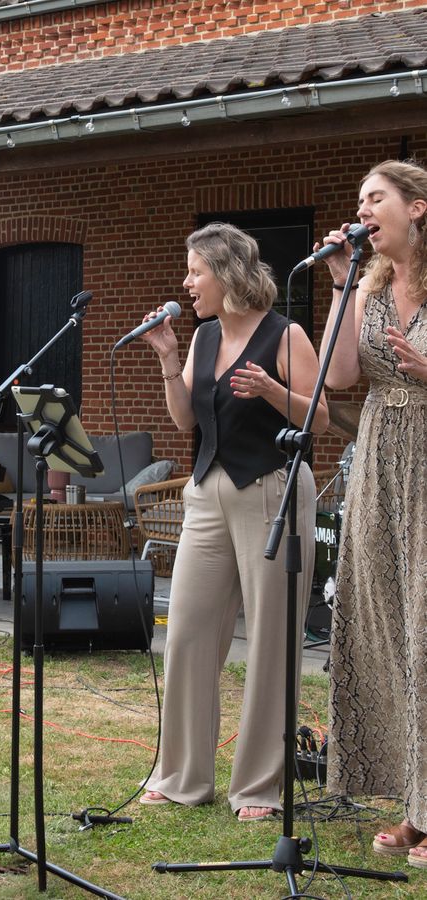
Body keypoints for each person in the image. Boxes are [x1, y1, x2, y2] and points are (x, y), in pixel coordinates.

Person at [138, 222, 328, 820]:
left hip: (271, 489)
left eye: (196, 271)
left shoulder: (285, 334)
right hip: (206, 492)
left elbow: (320, 419)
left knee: (271, 639)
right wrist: (169, 359)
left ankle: (257, 788)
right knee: (187, 632)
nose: (187, 283)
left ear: (227, 273)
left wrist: (270, 389)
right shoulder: (202, 337)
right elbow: (184, 422)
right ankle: (182, 776)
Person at [316, 159, 427, 868]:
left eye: (375, 197)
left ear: (417, 207)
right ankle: (416, 804)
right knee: (388, 628)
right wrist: (339, 283)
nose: (362, 209)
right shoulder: (369, 285)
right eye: (359, 200)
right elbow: (339, 377)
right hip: (382, 460)